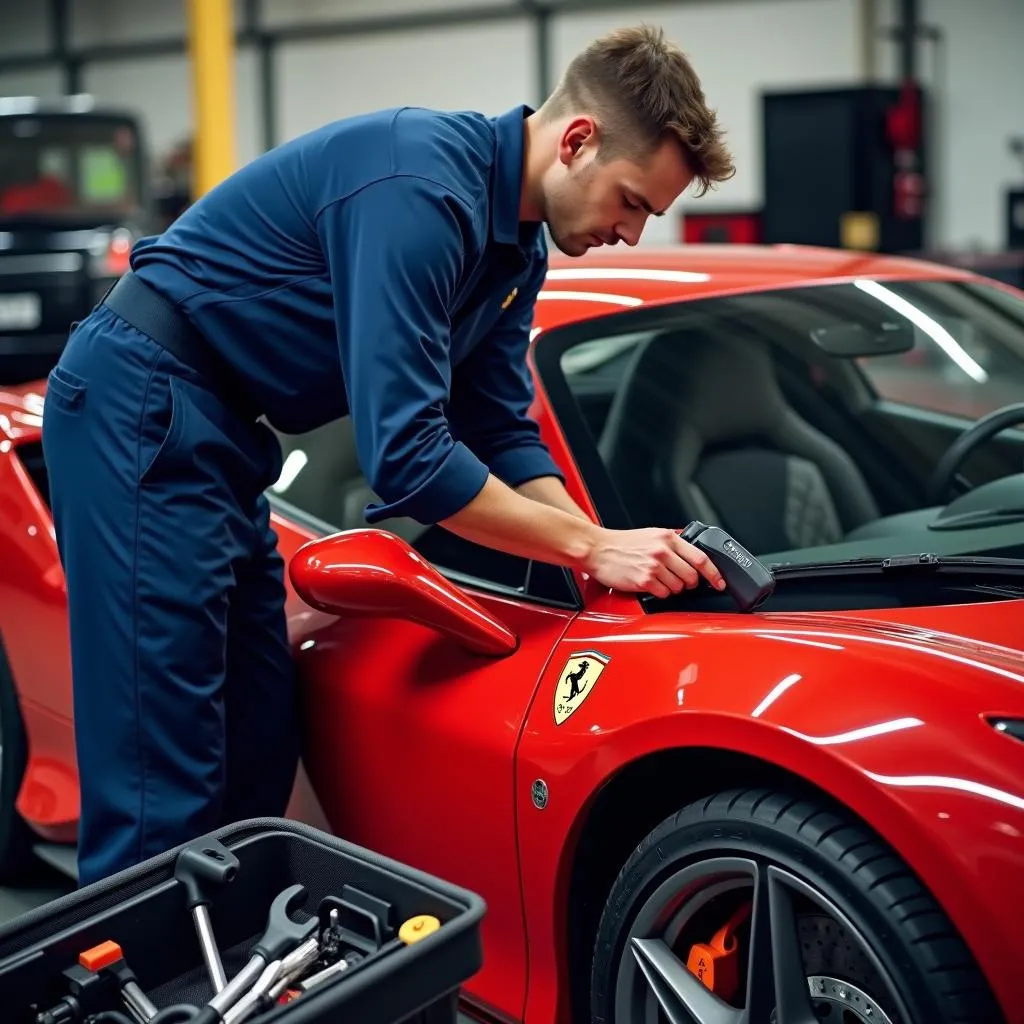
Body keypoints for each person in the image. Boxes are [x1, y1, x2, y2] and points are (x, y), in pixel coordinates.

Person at [42, 24, 736, 887]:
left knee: (256, 751)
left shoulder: (515, 250)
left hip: (221, 430)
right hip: (138, 406)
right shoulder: (420, 191)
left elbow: (497, 426)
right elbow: (408, 457)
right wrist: (593, 547)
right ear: (577, 140)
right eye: (632, 201)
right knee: (162, 785)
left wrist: (603, 557)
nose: (631, 232)